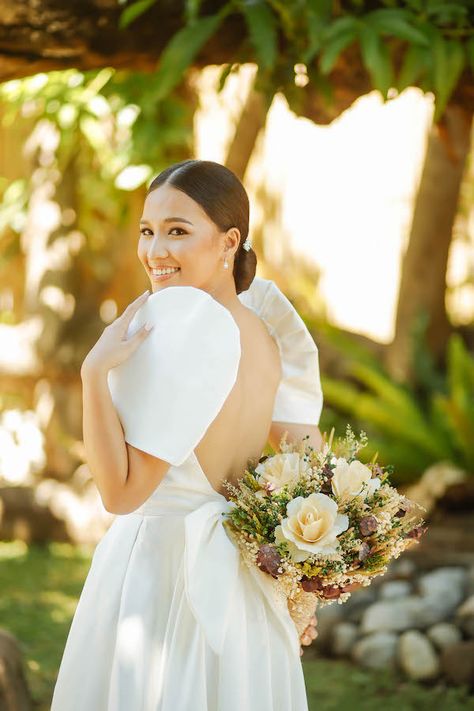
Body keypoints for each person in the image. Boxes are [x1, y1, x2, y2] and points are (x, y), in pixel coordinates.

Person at [50, 159, 326, 710]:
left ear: (229, 241)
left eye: (178, 231)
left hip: (161, 572)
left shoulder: (182, 326)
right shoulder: (268, 327)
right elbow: (308, 466)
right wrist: (301, 586)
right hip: (248, 582)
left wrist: (92, 374)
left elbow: (122, 494)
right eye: (148, 231)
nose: (156, 251)